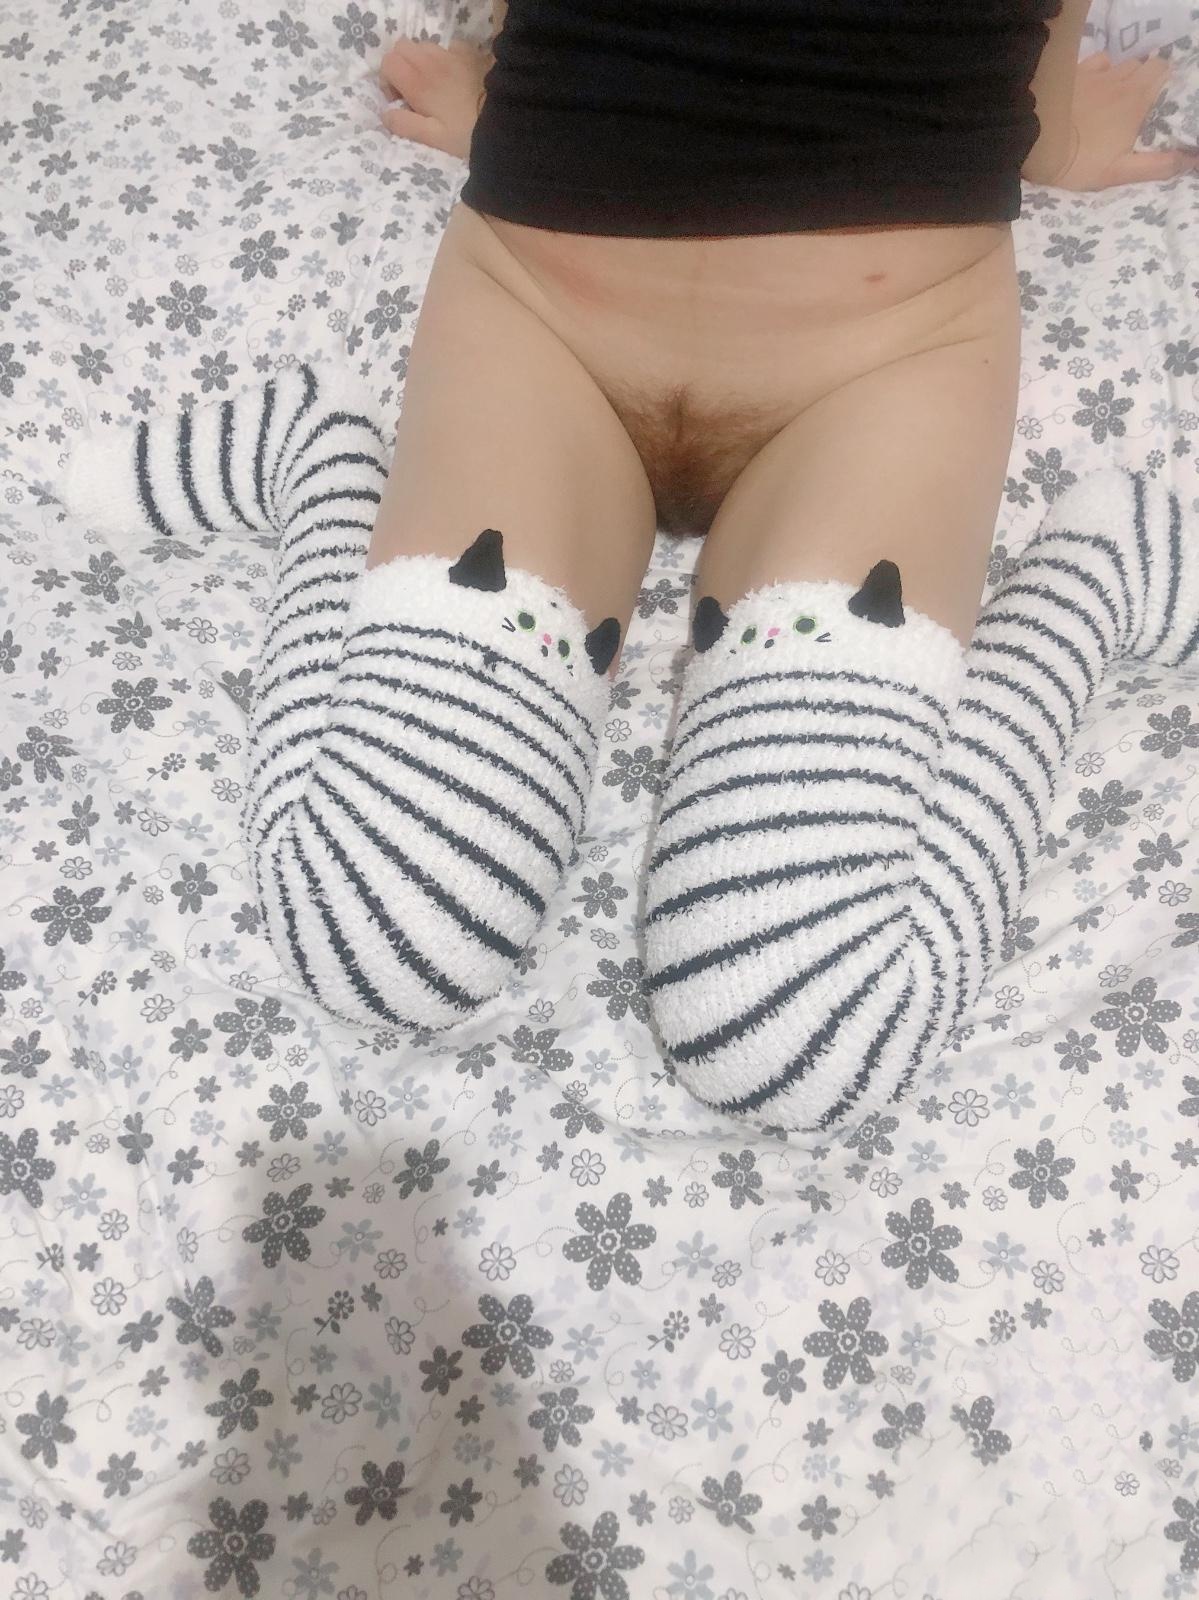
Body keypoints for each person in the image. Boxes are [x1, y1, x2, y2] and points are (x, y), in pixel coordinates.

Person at [63, 7, 1199, 1133]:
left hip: (889, 354)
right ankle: (324, 456)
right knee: (380, 930)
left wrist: (1050, 139)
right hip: (540, 313)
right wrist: (509, 86)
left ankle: (1094, 573)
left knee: (801, 1025)